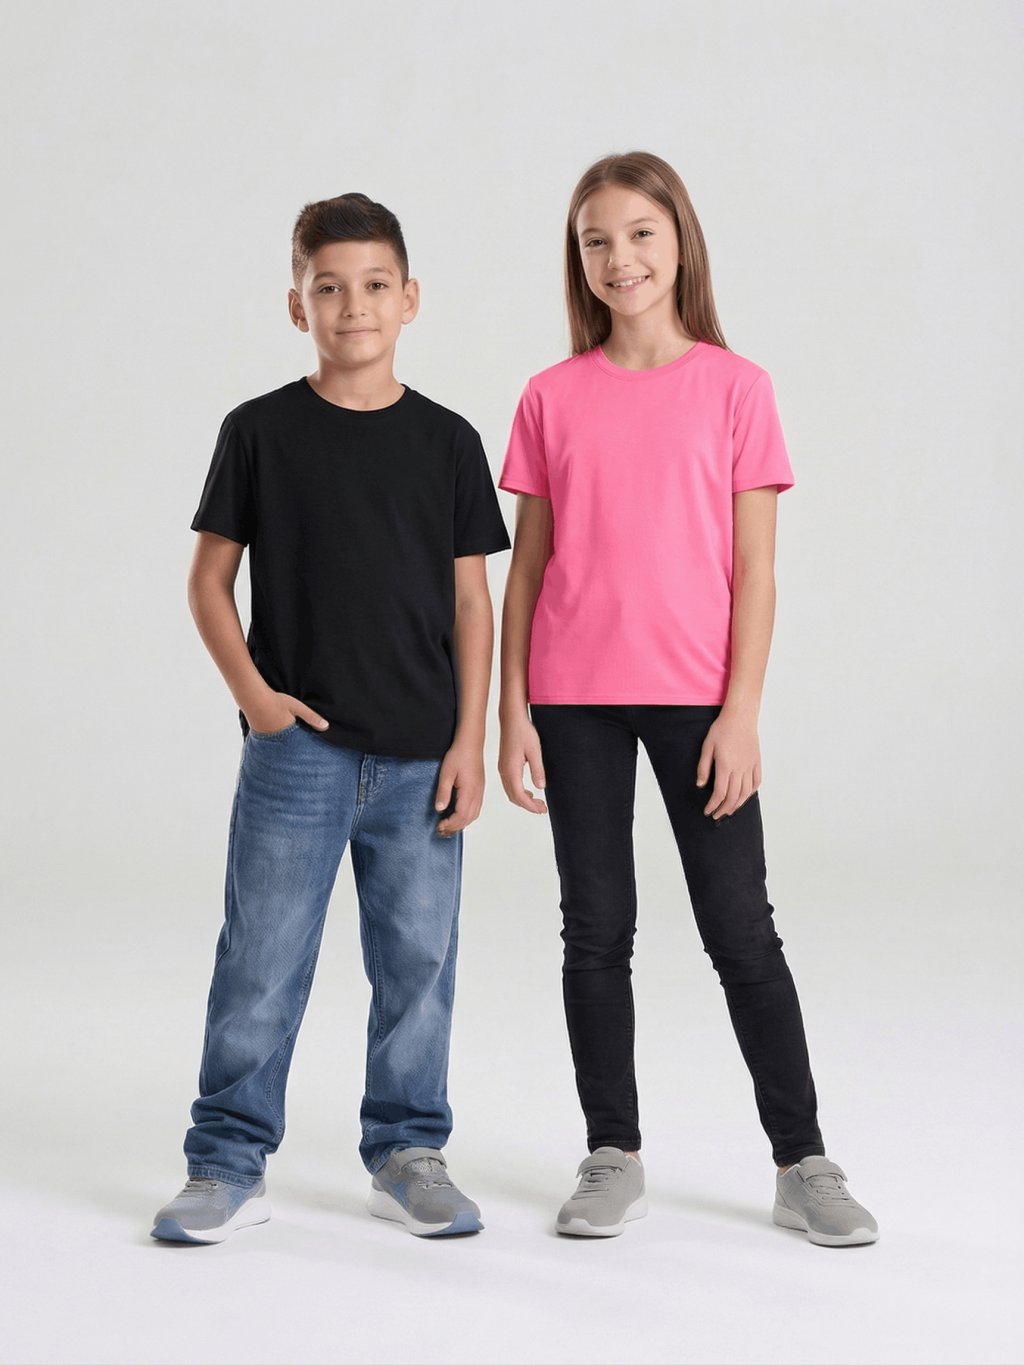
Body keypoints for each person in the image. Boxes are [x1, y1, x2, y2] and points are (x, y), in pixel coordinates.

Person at [497, 152, 877, 1247]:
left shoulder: (736, 387)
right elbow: (527, 571)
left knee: (740, 930)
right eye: (596, 241)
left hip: (697, 704)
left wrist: (741, 710)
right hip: (572, 699)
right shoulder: (549, 396)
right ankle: (610, 1152)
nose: (619, 258)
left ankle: (802, 1161)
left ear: (679, 244)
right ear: (578, 259)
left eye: (639, 235)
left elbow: (757, 571)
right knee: (594, 930)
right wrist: (513, 711)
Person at [151, 192, 509, 1244]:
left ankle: (407, 1152)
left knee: (418, 966)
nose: (354, 306)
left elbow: (471, 603)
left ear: (410, 298)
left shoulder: (448, 440)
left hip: (421, 758)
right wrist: (256, 701)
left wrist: (470, 741)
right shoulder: (259, 431)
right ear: (296, 304)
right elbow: (209, 582)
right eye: (329, 287)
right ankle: (226, 1160)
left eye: (374, 285)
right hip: (296, 756)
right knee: (261, 959)